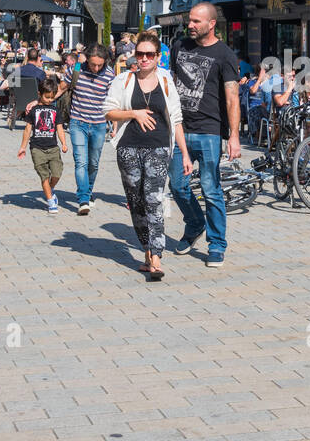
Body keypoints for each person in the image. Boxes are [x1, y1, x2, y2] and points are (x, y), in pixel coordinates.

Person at [103, 32, 192, 281]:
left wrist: (184, 153)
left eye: (148, 55)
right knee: (136, 200)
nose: (143, 59)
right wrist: (134, 114)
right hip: (128, 148)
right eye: (139, 54)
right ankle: (145, 249)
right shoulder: (123, 80)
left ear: (157, 57)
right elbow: (108, 112)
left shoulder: (166, 80)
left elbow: (176, 119)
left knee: (154, 199)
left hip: (159, 147)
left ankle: (156, 257)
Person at [168, 3, 241, 267]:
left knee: (211, 190)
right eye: (190, 20)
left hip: (210, 130)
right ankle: (195, 223)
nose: (191, 25)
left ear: (211, 24)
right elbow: (172, 84)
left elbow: (232, 97)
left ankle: (217, 244)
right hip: (179, 129)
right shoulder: (179, 47)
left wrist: (234, 136)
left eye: (197, 21)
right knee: (177, 185)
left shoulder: (225, 55)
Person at [64, 44, 115, 217]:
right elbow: (61, 88)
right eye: (93, 64)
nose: (96, 68)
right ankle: (83, 199)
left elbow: (112, 102)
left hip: (100, 125)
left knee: (93, 163)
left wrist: (115, 126)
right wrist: (41, 102)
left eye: (99, 65)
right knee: (81, 162)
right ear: (87, 59)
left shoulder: (109, 75)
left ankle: (89, 190)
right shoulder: (76, 69)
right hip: (78, 122)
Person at [16, 77, 69, 214]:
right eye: (47, 97)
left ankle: (49, 190)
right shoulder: (33, 110)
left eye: (52, 97)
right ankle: (50, 200)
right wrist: (23, 147)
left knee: (57, 173)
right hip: (37, 148)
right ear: (39, 94)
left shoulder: (55, 111)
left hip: (53, 148)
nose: (50, 100)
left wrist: (64, 143)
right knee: (44, 175)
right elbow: (28, 129)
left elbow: (59, 128)